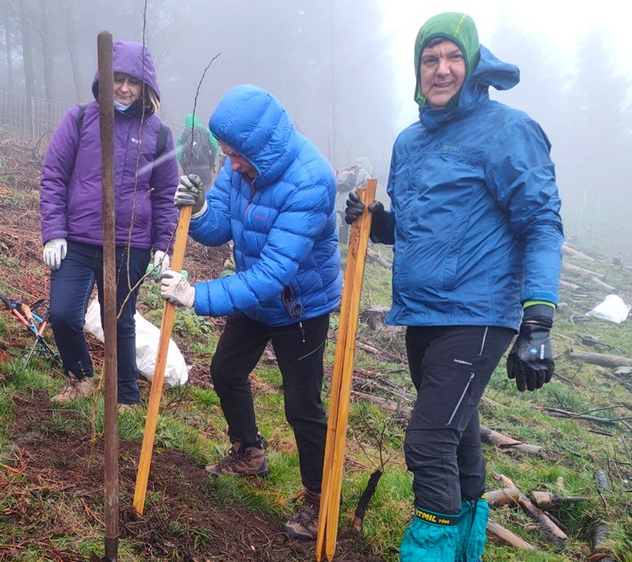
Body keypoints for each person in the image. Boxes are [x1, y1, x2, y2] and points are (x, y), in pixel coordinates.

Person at [344, 12, 563, 561]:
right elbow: (418, 226)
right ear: (417, 70)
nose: (441, 70)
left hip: (479, 313)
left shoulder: (508, 131)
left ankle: (430, 551)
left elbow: (541, 224)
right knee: (458, 434)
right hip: (424, 313)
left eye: (452, 57)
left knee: (428, 439)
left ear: (472, 64)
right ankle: (464, 549)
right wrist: (377, 220)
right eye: (429, 59)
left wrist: (538, 319)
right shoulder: (409, 142)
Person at [158, 84, 342, 541]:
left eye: (237, 155)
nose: (232, 164)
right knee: (225, 370)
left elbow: (275, 272)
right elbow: (220, 226)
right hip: (254, 296)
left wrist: (197, 296)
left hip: (300, 305)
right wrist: (201, 208)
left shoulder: (311, 179)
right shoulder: (241, 164)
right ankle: (250, 453)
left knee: (302, 405)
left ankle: (319, 498)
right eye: (227, 154)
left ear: (263, 146)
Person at [39, 40, 179, 408]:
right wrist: (54, 232)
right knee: (62, 314)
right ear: (104, 78)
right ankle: (80, 377)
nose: (125, 89)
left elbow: (167, 194)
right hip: (77, 238)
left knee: (119, 320)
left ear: (146, 87)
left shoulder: (158, 134)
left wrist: (162, 244)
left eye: (133, 82)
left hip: (130, 243)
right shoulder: (80, 118)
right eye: (118, 79)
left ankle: (126, 396)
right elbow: (54, 175)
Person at [177, 113, 219, 187]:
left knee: (190, 192)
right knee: (206, 191)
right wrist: (211, 163)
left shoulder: (182, 136)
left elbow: (179, 155)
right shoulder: (206, 132)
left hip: (189, 169)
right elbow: (215, 147)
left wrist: (184, 166)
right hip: (205, 168)